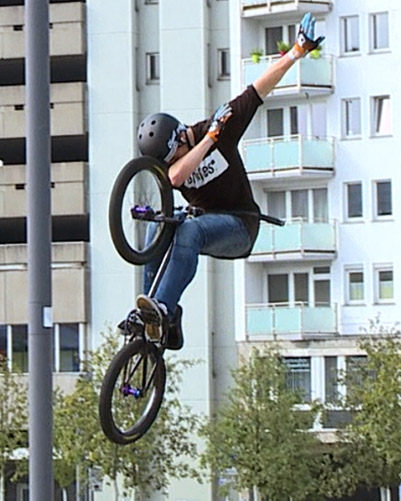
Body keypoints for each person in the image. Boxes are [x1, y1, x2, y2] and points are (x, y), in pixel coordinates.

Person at [130, 13, 325, 349]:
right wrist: (206, 143)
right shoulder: (194, 149)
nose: (173, 164)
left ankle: (164, 308)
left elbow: (258, 89)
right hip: (206, 220)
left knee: (188, 231)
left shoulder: (220, 126)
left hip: (240, 227)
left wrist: (296, 52)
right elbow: (176, 176)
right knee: (158, 224)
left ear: (181, 137)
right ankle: (155, 315)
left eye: (174, 155)